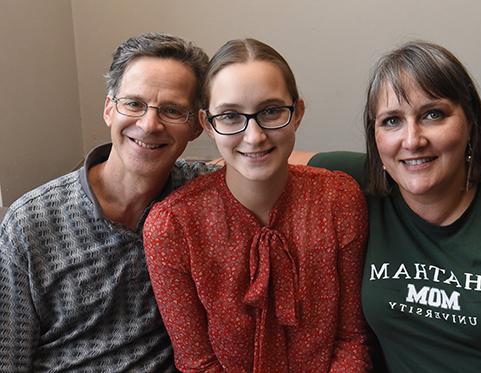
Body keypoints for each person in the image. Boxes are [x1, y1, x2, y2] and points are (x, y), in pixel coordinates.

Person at [304, 41, 481, 372]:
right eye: (392, 121)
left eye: (433, 114)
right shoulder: (353, 183)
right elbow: (265, 157)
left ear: (470, 122)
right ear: (375, 138)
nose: (412, 140)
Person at [143, 38, 372, 372]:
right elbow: (198, 363)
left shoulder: (338, 201)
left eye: (270, 111)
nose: (254, 136)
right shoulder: (173, 227)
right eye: (231, 116)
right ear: (208, 125)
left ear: (298, 113)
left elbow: (352, 340)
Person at [0, 32, 211, 372]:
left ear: (196, 126)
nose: (149, 124)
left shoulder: (202, 196)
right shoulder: (30, 223)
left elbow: (262, 159)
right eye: (134, 104)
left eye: (172, 110)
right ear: (109, 110)